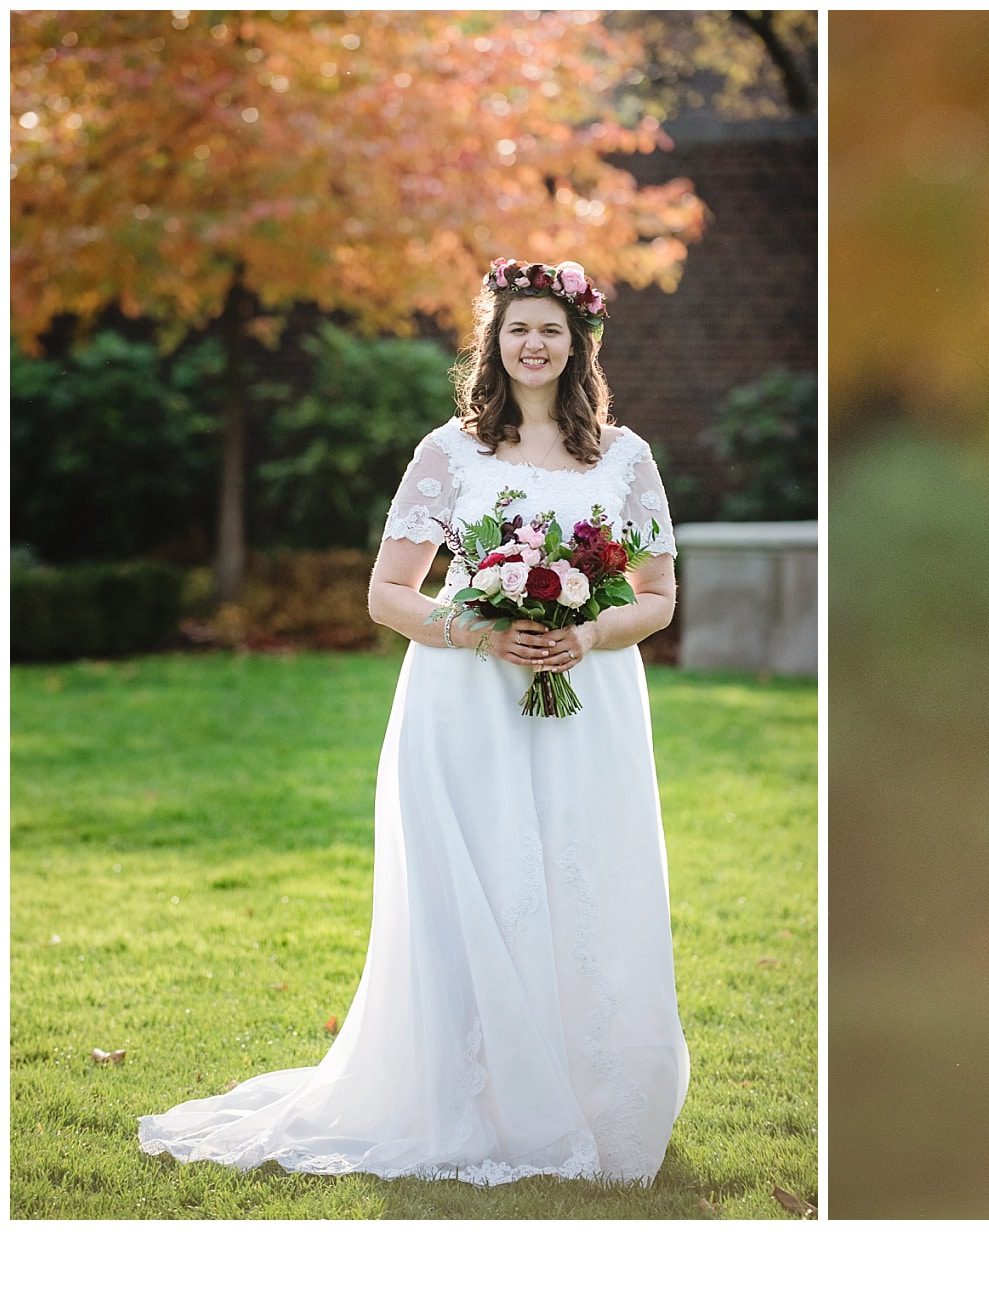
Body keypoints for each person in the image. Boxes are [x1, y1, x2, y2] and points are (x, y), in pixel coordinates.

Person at [138, 258, 689, 1185]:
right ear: (492, 340)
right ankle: (474, 1094)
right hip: (466, 703)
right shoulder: (450, 453)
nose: (534, 343)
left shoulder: (625, 458)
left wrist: (585, 630)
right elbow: (388, 594)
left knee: (581, 878)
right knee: (479, 881)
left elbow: (660, 596)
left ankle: (586, 1092)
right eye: (517, 328)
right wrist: (483, 633)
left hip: (587, 704)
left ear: (579, 342)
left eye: (551, 329)